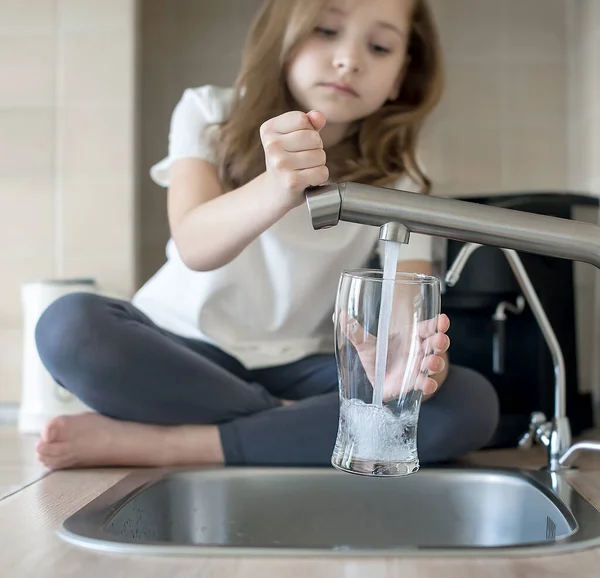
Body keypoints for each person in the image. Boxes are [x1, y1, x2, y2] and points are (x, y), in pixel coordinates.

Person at [34, 0, 499, 470]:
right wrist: (277, 187)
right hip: (181, 349)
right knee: (71, 327)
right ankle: (283, 428)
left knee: (468, 403)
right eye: (326, 30)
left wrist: (408, 366)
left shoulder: (404, 182)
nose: (349, 59)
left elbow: (405, 314)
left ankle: (170, 446)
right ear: (285, 35)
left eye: (379, 47)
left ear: (400, 76)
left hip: (306, 367)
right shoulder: (208, 112)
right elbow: (194, 244)